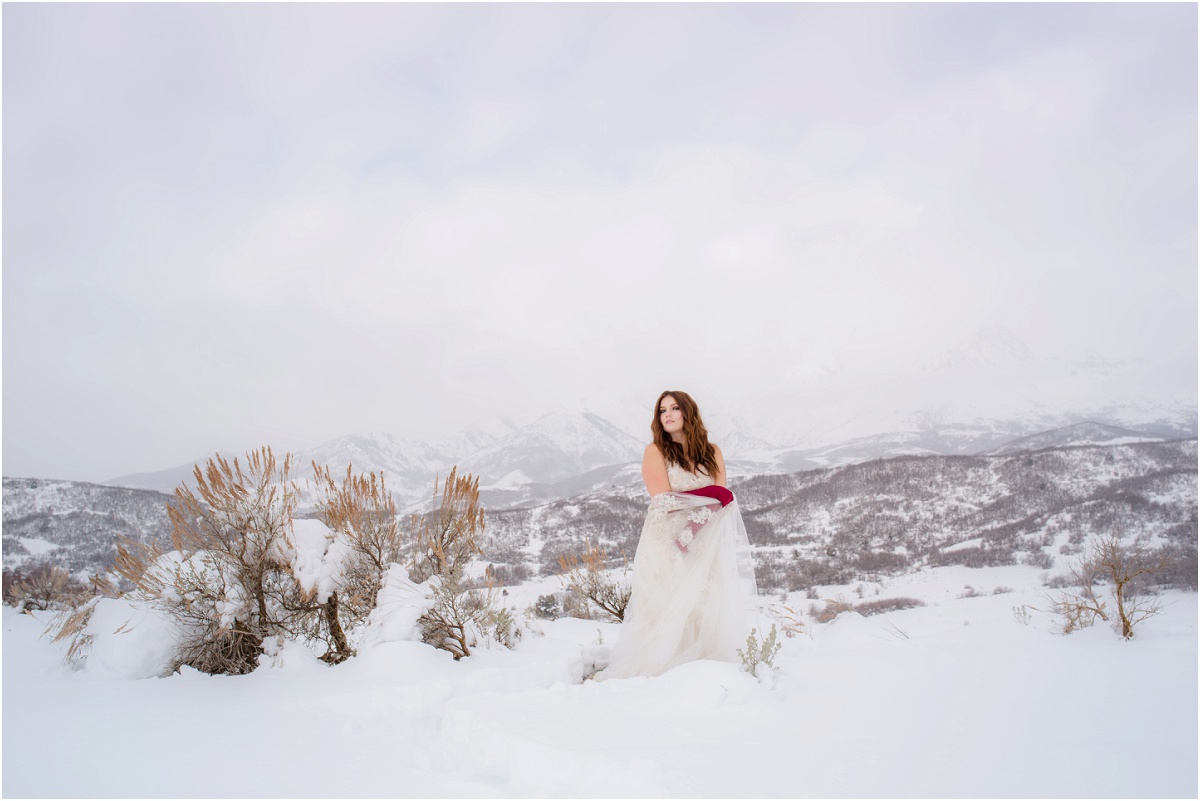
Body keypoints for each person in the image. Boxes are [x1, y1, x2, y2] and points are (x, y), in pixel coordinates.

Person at [596, 390, 759, 679]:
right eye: (662, 410)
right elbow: (662, 500)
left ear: (687, 412)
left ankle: (700, 674)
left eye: (674, 408)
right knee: (666, 606)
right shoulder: (656, 450)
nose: (667, 415)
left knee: (702, 606)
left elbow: (723, 504)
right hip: (665, 541)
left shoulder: (712, 451)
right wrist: (709, 494)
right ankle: (658, 675)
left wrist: (699, 523)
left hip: (703, 539)